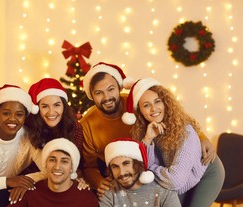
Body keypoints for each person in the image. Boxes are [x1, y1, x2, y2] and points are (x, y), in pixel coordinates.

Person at [121, 77, 225, 207]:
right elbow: (145, 170)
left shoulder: (185, 131)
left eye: (157, 101)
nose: (153, 109)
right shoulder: (146, 130)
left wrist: (152, 168)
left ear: (165, 102)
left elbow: (175, 182)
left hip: (207, 171)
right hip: (179, 174)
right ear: (140, 112)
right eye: (146, 105)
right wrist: (148, 140)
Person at [80, 62, 216, 195]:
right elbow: (89, 166)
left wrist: (201, 136)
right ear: (92, 95)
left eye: (111, 89)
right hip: (138, 177)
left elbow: (176, 116)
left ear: (119, 87)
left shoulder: (135, 103)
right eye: (99, 93)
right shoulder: (87, 123)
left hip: (181, 172)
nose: (107, 97)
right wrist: (98, 181)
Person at [25, 77, 84, 175]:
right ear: (37, 108)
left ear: (64, 106)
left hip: (62, 178)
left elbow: (77, 165)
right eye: (45, 106)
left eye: (57, 105)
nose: (51, 112)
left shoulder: (74, 127)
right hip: (32, 179)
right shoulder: (29, 127)